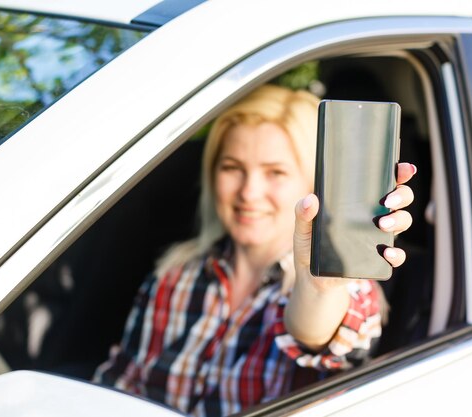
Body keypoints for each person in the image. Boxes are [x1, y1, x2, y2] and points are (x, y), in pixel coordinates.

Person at [94, 84, 416, 416]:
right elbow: (119, 386)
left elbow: (316, 334)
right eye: (232, 167)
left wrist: (318, 285)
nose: (249, 192)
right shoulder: (174, 275)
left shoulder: (345, 282)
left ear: (313, 183)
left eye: (275, 172)